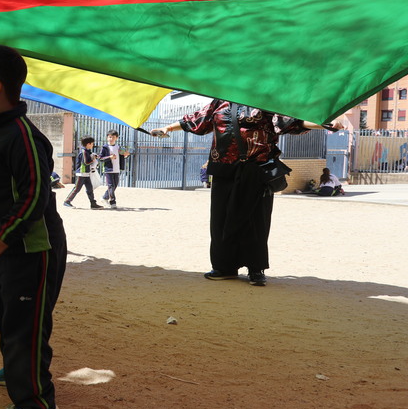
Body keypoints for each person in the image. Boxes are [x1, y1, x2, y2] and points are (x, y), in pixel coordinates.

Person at [0, 45, 66, 409]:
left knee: (26, 320)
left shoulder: (22, 135)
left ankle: (37, 402)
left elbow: (35, 195)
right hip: (5, 245)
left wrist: (1, 238)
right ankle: (19, 360)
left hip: (30, 247)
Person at [150, 100, 332, 286]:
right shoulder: (219, 103)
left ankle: (256, 269)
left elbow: (291, 121)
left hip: (256, 170)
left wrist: (324, 123)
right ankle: (224, 267)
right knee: (221, 220)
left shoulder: (264, 99)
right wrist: (168, 129)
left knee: (256, 220)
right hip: (223, 170)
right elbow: (196, 120)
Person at [62, 137, 102, 209]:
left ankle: (93, 204)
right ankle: (67, 201)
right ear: (88, 144)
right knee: (77, 189)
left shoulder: (87, 151)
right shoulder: (84, 152)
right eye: (92, 143)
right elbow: (86, 162)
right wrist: (93, 159)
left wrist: (93, 156)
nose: (93, 145)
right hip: (81, 173)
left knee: (90, 189)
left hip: (86, 173)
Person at [97, 130, 130, 208]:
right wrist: (109, 157)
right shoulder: (105, 147)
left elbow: (123, 156)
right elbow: (100, 158)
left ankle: (104, 197)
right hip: (108, 169)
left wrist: (126, 155)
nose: (111, 139)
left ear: (117, 138)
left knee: (114, 185)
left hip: (117, 169)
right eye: (109, 137)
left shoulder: (119, 147)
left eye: (113, 137)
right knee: (111, 185)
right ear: (107, 137)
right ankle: (112, 202)